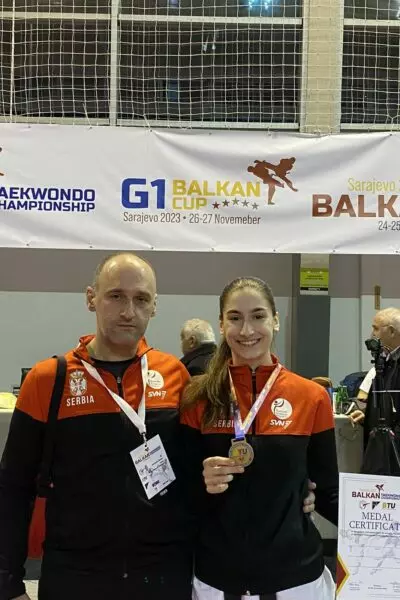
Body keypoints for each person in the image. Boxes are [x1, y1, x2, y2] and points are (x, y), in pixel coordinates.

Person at [0, 252, 194, 600]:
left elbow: (193, 474)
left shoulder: (174, 376)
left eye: (141, 299)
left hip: (162, 575)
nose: (128, 311)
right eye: (116, 295)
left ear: (154, 306)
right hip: (75, 576)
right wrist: (8, 582)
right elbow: (13, 488)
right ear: (91, 298)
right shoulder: (48, 380)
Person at [181, 276, 338, 599]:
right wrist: (200, 480)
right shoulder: (198, 398)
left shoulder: (311, 397)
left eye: (258, 316)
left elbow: (328, 491)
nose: (246, 330)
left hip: (296, 579)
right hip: (218, 578)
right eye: (235, 318)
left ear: (275, 320)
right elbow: (180, 490)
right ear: (221, 324)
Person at [349, 308, 400, 430]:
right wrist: (367, 415)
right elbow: (384, 403)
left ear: (392, 331)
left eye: (376, 329)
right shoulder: (386, 362)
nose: (372, 334)